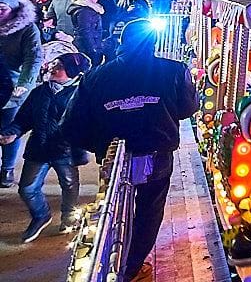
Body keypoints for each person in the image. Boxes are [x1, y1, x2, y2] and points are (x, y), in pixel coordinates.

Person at [64, 19, 198, 282]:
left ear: (122, 42)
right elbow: (187, 109)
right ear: (153, 42)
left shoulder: (96, 77)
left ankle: (118, 265)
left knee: (112, 213)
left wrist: (101, 144)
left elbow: (72, 126)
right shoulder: (173, 71)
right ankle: (131, 267)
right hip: (156, 155)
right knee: (149, 211)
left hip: (113, 160)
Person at [0, 52, 92, 241]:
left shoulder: (82, 94)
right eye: (53, 64)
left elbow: (89, 123)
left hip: (66, 150)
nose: (52, 67)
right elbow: (23, 119)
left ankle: (69, 216)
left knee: (69, 185)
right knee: (27, 188)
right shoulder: (39, 92)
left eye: (58, 67)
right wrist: (12, 133)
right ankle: (41, 215)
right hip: (39, 148)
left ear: (71, 72)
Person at [0, 0, 42, 187]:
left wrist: (24, 84)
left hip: (12, 85)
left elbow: (33, 58)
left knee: (8, 128)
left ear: (14, 10)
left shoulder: (27, 29)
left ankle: (7, 169)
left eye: (2, 9)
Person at [67, 0, 106, 67]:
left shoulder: (88, 9)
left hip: (90, 44)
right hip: (87, 46)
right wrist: (93, 48)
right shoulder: (84, 11)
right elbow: (85, 31)